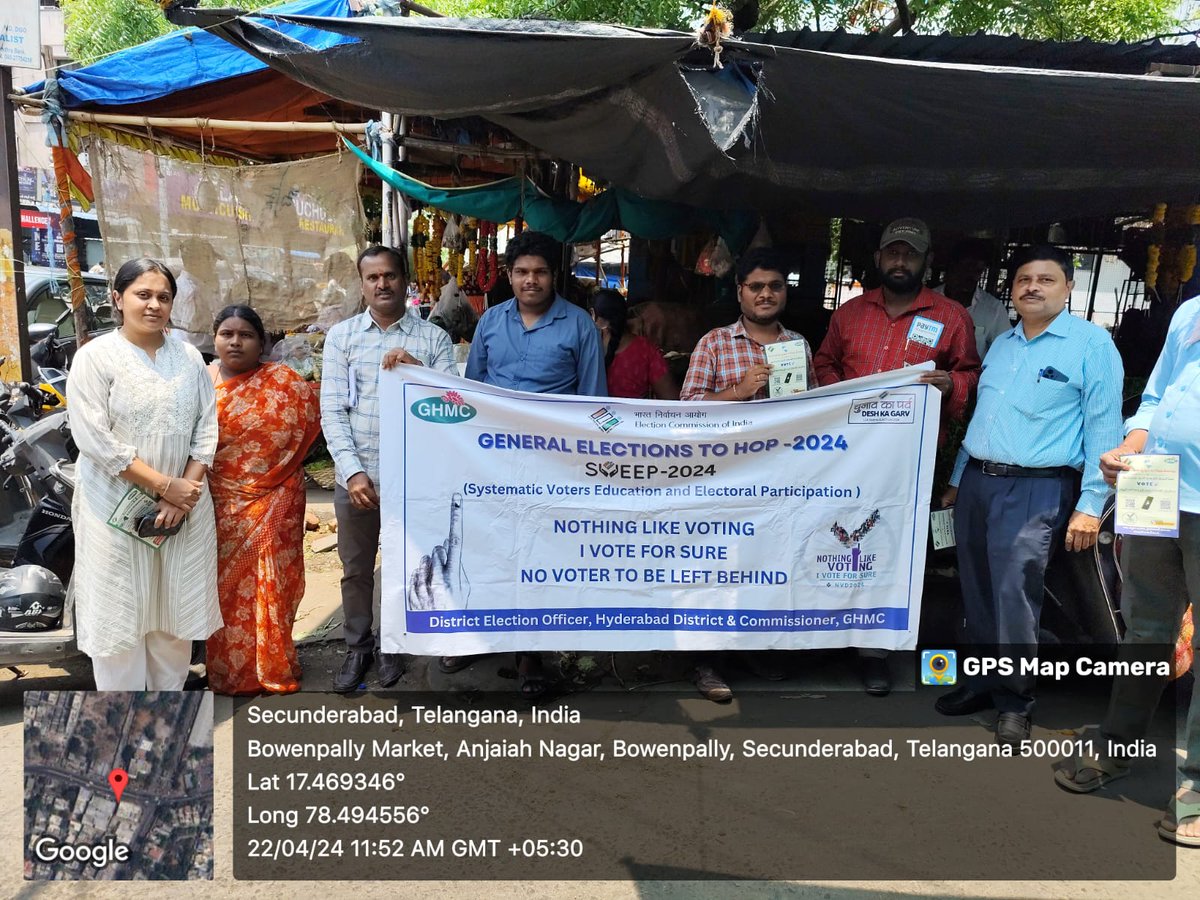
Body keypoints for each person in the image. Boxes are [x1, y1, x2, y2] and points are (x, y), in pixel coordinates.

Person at [937, 244, 1124, 747]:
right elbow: (984, 420)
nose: (1032, 287)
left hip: (1037, 488)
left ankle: (1014, 700)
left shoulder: (1091, 345)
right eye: (1023, 279)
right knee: (974, 585)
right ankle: (979, 682)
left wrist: (1090, 507)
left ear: (1068, 288)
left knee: (1014, 594)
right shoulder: (1004, 345)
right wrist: (958, 478)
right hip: (979, 482)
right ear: (1012, 290)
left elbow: (1103, 436)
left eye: (1045, 279)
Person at [813, 217, 981, 696]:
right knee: (836, 540)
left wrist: (953, 384)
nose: (900, 261)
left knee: (892, 551)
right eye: (893, 252)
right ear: (878, 258)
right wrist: (842, 395)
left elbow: (971, 374)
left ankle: (876, 651)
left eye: (910, 254)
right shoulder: (849, 313)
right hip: (847, 458)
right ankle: (826, 632)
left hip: (912, 462)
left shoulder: (951, 316)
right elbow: (823, 363)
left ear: (926, 262)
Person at [1054, 293, 1199, 847]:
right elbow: (1158, 398)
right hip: (1155, 486)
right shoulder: (1190, 312)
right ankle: (1118, 746)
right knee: (1144, 630)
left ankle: (1197, 787)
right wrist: (1127, 448)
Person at [462, 229, 606, 696]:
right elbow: (472, 394)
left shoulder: (579, 325)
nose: (531, 280)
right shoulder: (490, 322)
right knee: (493, 549)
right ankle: (480, 634)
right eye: (522, 272)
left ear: (554, 275)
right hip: (496, 464)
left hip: (554, 464)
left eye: (540, 272)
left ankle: (531, 656)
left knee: (541, 556)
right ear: (509, 275)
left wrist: (598, 460)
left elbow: (593, 401)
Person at [67, 258, 221, 690]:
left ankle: (165, 728)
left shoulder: (189, 357)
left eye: (163, 297)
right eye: (143, 294)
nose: (154, 304)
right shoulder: (95, 358)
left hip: (182, 510)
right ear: (117, 298)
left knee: (172, 619)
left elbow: (206, 427)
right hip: (113, 509)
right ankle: (120, 732)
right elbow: (94, 439)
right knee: (120, 618)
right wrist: (162, 486)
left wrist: (181, 492)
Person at [680, 247, 816, 702]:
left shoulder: (797, 346)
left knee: (766, 566)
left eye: (774, 286)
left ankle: (753, 649)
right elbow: (686, 412)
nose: (765, 294)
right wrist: (739, 391)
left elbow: (814, 413)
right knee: (717, 567)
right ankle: (708, 660)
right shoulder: (715, 342)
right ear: (739, 291)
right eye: (755, 286)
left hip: (778, 480)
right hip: (722, 480)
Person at [321, 245, 457, 693]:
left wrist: (420, 372)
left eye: (391, 276)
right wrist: (353, 471)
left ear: (405, 280)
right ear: (362, 285)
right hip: (357, 477)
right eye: (373, 277)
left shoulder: (433, 339)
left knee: (406, 565)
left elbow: (452, 406)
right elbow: (332, 412)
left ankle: (394, 646)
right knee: (356, 568)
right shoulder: (342, 337)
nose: (383, 284)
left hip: (413, 479)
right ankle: (358, 647)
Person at [204, 305, 321, 695]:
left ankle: (273, 661)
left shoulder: (284, 382)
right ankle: (229, 671)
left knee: (274, 585)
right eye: (226, 334)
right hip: (220, 503)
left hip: (277, 500)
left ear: (262, 342)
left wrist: (277, 487)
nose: (235, 341)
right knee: (225, 590)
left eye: (246, 335)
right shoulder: (200, 382)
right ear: (215, 338)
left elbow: (306, 434)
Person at [590, 289, 679, 400]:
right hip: (636, 417)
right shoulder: (646, 350)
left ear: (593, 314)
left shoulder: (585, 347)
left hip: (587, 416)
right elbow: (670, 398)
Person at [933, 239, 1012, 359]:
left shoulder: (993, 309)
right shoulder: (928, 300)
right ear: (951, 267)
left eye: (978, 270)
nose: (972, 275)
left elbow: (1005, 353)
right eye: (966, 267)